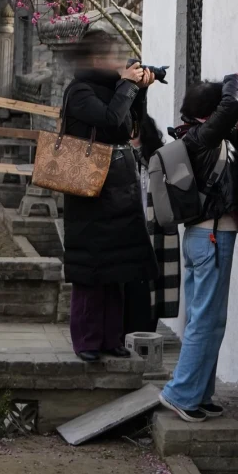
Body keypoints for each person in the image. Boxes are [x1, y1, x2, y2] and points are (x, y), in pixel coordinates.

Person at [158, 74, 238, 423]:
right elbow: (229, 104)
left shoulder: (207, 138)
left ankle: (200, 393)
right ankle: (179, 393)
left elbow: (237, 160)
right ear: (211, 112)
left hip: (208, 238)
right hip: (210, 238)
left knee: (211, 320)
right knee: (204, 320)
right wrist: (234, 82)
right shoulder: (200, 137)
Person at [61, 61, 159, 362]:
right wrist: (127, 85)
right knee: (90, 268)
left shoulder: (116, 89)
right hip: (88, 189)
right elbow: (109, 119)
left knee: (118, 267)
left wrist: (139, 91)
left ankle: (111, 338)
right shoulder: (80, 91)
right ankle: (87, 341)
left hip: (118, 188)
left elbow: (129, 127)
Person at [125, 109, 180, 334]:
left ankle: (147, 330)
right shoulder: (122, 158)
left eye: (133, 132)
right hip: (129, 230)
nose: (130, 138)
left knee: (154, 284)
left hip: (155, 230)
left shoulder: (158, 160)